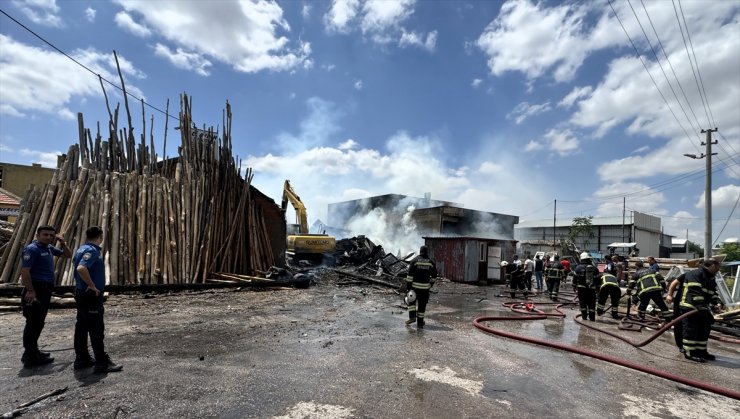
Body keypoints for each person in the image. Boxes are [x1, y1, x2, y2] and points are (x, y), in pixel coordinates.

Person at [19, 225, 72, 367]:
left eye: (51, 235)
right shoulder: (31, 249)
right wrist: (30, 291)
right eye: (45, 234)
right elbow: (25, 271)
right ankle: (30, 356)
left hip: (45, 290)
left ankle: (33, 352)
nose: (48, 237)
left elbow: (67, 255)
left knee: (39, 322)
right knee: (32, 323)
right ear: (37, 235)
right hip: (35, 289)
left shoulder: (48, 248)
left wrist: (62, 243)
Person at [73, 226, 122, 373]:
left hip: (82, 294)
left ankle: (82, 359)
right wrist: (92, 285)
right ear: (100, 237)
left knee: (81, 327)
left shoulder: (81, 249)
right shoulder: (92, 251)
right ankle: (101, 362)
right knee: (96, 329)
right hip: (90, 296)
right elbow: (81, 268)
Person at [679, 258, 722, 362]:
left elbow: (712, 293)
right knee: (691, 330)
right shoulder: (695, 274)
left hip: (702, 308)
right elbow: (695, 294)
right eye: (718, 267)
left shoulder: (710, 277)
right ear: (712, 266)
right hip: (690, 307)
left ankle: (701, 351)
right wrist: (704, 309)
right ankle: (689, 352)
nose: (718, 270)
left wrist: (716, 302)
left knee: (704, 329)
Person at [403, 245, 437, 329]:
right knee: (422, 305)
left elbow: (410, 276)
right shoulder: (430, 262)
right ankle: (420, 322)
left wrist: (409, 288)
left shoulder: (414, 261)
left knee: (411, 301)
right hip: (425, 289)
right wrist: (430, 284)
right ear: (426, 252)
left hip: (415, 288)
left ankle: (412, 317)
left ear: (420, 251)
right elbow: (434, 276)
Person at [573, 252, 598, 321]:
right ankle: (592, 318)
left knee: (582, 302)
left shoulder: (578, 268)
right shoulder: (594, 268)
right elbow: (598, 279)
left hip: (581, 288)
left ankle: (584, 317)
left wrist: (574, 286)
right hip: (591, 289)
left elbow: (574, 278)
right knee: (592, 303)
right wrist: (598, 288)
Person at [665, 274, 685, 353]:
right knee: (679, 323)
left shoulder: (709, 277)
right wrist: (669, 295)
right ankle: (681, 345)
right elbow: (674, 283)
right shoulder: (688, 274)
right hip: (680, 302)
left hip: (695, 305)